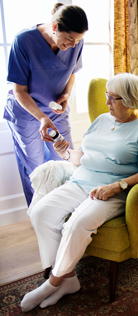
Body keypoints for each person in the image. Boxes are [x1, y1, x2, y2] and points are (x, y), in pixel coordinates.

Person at [21, 73, 138, 312]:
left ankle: (52, 283)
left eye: (112, 98)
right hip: (81, 180)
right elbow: (84, 157)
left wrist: (116, 186)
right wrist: (64, 152)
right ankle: (69, 280)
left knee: (77, 224)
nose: (107, 103)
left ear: (129, 100)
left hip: (111, 191)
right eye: (107, 96)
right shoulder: (101, 121)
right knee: (41, 213)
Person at [3, 3, 88, 206]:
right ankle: (40, 216)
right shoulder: (24, 41)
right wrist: (42, 117)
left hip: (56, 110)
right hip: (26, 112)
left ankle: (67, 211)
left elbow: (72, 73)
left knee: (66, 160)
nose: (73, 45)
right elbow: (19, 91)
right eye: (69, 39)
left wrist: (67, 94)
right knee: (36, 167)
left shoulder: (76, 43)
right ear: (55, 27)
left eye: (78, 40)